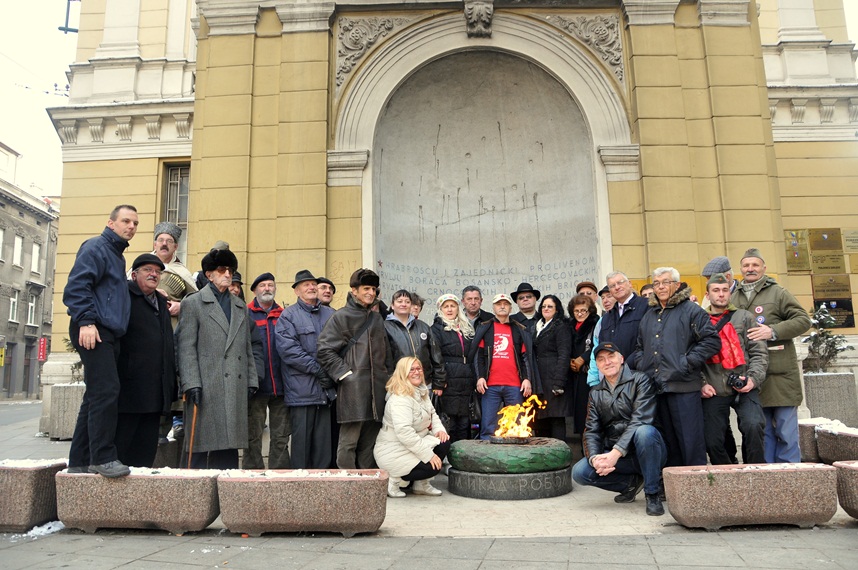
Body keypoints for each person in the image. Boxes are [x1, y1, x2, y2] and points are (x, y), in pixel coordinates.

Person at [64, 205, 139, 477]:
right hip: (93, 329)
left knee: (96, 395)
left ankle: (79, 460)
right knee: (107, 391)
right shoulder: (96, 247)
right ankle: (103, 457)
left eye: (135, 223)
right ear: (111, 223)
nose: (131, 226)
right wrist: (85, 320)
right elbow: (76, 286)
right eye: (125, 221)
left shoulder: (116, 256)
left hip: (108, 332)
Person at [177, 247, 258, 469]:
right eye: (222, 270)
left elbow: (246, 347)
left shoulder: (240, 306)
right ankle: (193, 492)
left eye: (230, 270)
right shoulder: (193, 303)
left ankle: (225, 490)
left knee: (229, 447)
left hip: (234, 385)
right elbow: (185, 348)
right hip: (205, 384)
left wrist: (251, 380)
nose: (227, 274)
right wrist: (191, 383)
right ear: (209, 274)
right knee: (200, 445)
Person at [632, 267, 721, 467]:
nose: (660, 286)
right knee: (669, 444)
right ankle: (675, 489)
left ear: (677, 285)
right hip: (656, 387)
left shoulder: (691, 311)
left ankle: (695, 489)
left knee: (691, 444)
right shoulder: (650, 314)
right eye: (656, 283)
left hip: (684, 387)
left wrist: (685, 363)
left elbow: (711, 341)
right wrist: (643, 364)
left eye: (665, 282)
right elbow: (640, 347)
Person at [731, 248, 811, 463]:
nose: (750, 269)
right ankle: (768, 474)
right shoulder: (733, 295)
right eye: (746, 265)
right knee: (761, 430)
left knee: (785, 429)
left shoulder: (778, 293)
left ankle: (790, 472)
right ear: (741, 269)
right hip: (751, 374)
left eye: (755, 265)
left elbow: (803, 320)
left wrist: (772, 331)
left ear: (764, 268)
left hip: (780, 371)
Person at [571, 342, 667, 516]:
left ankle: (653, 493)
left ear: (621, 358)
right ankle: (629, 484)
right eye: (601, 359)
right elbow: (592, 430)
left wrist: (615, 453)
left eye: (611, 356)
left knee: (644, 431)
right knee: (580, 472)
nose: (607, 362)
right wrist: (594, 459)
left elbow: (640, 419)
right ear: (597, 365)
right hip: (620, 459)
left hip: (647, 451)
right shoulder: (596, 392)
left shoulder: (640, 380)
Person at [317, 268, 391, 469]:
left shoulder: (377, 319)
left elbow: (387, 354)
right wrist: (345, 375)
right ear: (354, 290)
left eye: (374, 289)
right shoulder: (341, 317)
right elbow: (324, 350)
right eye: (366, 288)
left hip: (377, 389)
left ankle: (365, 485)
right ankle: (347, 484)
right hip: (353, 390)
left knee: (369, 443)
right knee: (348, 443)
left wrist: (389, 378)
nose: (371, 293)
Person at [115, 253, 176, 467]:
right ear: (134, 274)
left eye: (157, 271)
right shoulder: (125, 296)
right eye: (147, 270)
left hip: (156, 391)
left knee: (146, 452)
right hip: (130, 389)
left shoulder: (161, 301)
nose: (154, 274)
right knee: (123, 449)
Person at [701, 273, 768, 465]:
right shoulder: (699, 320)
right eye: (716, 290)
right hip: (714, 388)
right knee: (712, 440)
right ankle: (728, 475)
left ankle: (755, 472)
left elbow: (759, 353)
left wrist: (753, 379)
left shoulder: (745, 317)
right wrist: (702, 384)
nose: (721, 295)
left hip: (744, 384)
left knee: (754, 426)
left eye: (724, 290)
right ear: (708, 294)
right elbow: (692, 357)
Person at [276, 270, 336, 469]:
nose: (311, 287)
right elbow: (289, 350)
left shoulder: (331, 314)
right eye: (306, 285)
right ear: (296, 291)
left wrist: (332, 372)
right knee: (301, 448)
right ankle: (299, 489)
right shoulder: (288, 315)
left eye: (313, 284)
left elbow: (342, 346)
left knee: (324, 448)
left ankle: (322, 491)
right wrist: (318, 370)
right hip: (302, 392)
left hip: (326, 392)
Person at [374, 357, 451, 497]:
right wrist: (429, 456)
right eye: (412, 370)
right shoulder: (400, 399)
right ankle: (393, 480)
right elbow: (405, 433)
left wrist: (439, 430)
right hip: (393, 451)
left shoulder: (420, 391)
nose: (417, 372)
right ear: (403, 373)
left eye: (419, 368)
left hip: (411, 446)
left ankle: (421, 484)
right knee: (432, 467)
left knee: (444, 442)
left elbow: (433, 414)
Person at [472, 293, 538, 439]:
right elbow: (479, 357)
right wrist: (480, 377)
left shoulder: (518, 328)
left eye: (505, 304)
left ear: (510, 307)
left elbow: (525, 357)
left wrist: (527, 379)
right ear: (493, 307)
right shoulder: (486, 327)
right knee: (488, 427)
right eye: (498, 304)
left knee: (517, 427)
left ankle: (516, 458)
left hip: (514, 385)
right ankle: (487, 460)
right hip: (490, 386)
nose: (502, 306)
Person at [243, 272, 290, 469]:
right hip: (257, 386)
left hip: (282, 386)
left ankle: (279, 474)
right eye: (262, 285)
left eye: (270, 285)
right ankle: (252, 474)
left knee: (281, 436)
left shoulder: (284, 314)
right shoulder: (245, 314)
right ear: (255, 290)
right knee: (252, 435)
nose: (267, 289)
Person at [587, 271, 650, 386]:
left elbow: (649, 342)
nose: (617, 287)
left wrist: (625, 366)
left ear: (629, 284)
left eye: (620, 282)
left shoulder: (647, 306)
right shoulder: (607, 318)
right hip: (614, 379)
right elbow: (603, 346)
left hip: (641, 376)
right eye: (612, 286)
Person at [430, 294, 477, 444]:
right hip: (448, 379)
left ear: (458, 307)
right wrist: (439, 380)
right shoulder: (436, 328)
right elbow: (435, 356)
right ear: (440, 309)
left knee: (464, 422)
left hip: (466, 379)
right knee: (449, 421)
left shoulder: (466, 327)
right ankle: (448, 457)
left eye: (453, 306)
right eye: (446, 306)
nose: (450, 309)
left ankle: (462, 455)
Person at [384, 290, 447, 392]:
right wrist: (390, 381)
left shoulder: (423, 326)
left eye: (407, 302)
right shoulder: (385, 327)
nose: (404, 304)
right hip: (399, 385)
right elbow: (384, 360)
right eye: (400, 301)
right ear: (392, 305)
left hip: (425, 383)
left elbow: (436, 355)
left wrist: (439, 382)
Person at [533, 295, 572, 440]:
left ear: (557, 310)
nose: (546, 309)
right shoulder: (538, 326)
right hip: (541, 380)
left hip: (555, 379)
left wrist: (559, 383)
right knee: (541, 418)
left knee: (556, 419)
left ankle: (559, 456)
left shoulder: (561, 326)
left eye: (550, 306)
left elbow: (564, 355)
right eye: (543, 306)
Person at [149, 221, 197, 318]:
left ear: (175, 247)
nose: (164, 244)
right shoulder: (141, 266)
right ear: (155, 245)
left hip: (171, 327)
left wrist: (181, 307)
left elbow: (197, 302)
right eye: (160, 240)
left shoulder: (182, 272)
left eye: (169, 241)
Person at [567, 293, 599, 437]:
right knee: (579, 415)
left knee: (588, 414)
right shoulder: (570, 325)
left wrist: (583, 358)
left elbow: (597, 345)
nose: (580, 314)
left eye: (583, 310)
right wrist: (570, 360)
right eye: (576, 311)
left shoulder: (595, 323)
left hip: (589, 373)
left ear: (590, 311)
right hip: (574, 374)